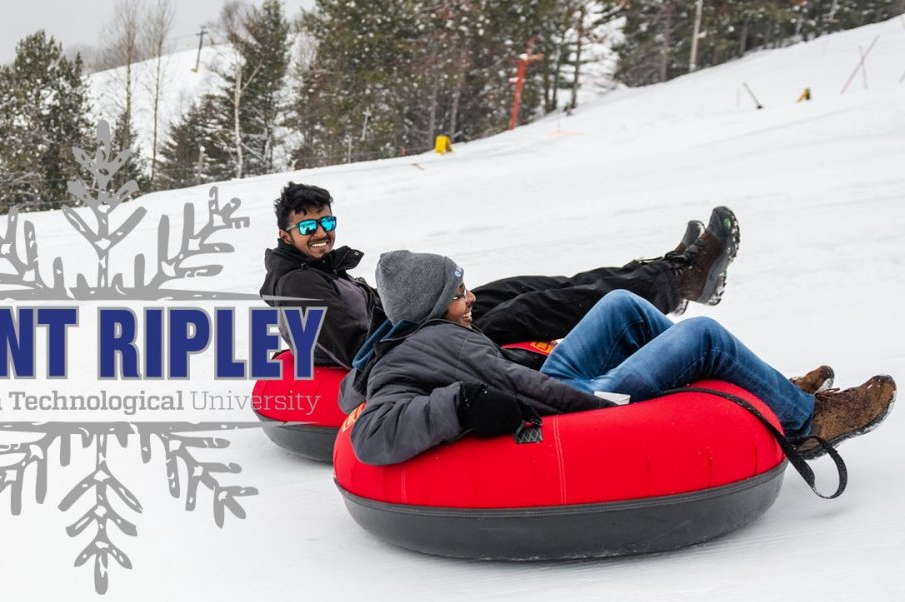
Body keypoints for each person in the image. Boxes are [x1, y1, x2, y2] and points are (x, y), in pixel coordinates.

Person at [347, 250, 896, 465]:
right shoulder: (400, 363)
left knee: (621, 305)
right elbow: (372, 435)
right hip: (575, 407)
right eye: (461, 292)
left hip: (548, 381)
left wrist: (525, 363)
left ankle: (774, 388)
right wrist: (461, 406)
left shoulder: (438, 335)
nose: (472, 299)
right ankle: (805, 419)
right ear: (433, 306)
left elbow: (490, 364)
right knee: (701, 333)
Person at [259, 182, 737, 371]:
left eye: (326, 222)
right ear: (287, 233)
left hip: (414, 331)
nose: (321, 233)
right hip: (413, 349)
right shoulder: (299, 285)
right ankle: (679, 281)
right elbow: (355, 353)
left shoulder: (315, 268)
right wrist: (426, 322)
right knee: (531, 309)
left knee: (520, 286)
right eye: (308, 226)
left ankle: (662, 273)